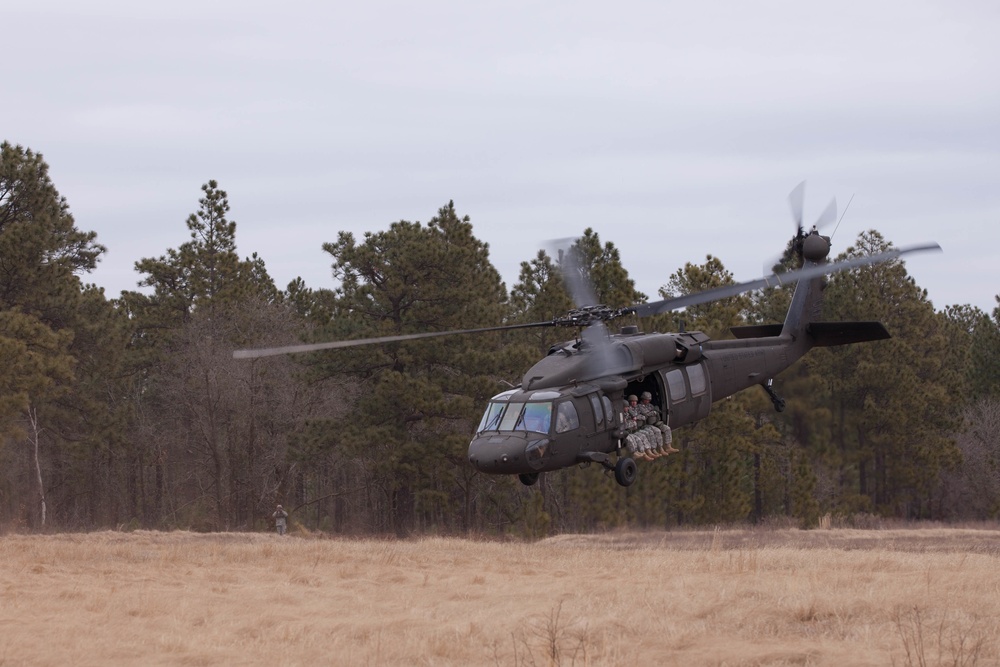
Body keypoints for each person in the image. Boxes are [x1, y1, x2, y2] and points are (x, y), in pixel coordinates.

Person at [636, 391, 678, 455]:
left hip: (655, 422)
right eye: (646, 400)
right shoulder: (639, 406)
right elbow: (646, 414)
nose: (647, 401)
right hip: (646, 424)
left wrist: (656, 411)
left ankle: (668, 446)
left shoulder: (650, 405)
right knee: (657, 431)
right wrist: (653, 412)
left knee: (667, 428)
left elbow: (656, 411)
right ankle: (660, 448)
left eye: (648, 400)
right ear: (643, 399)